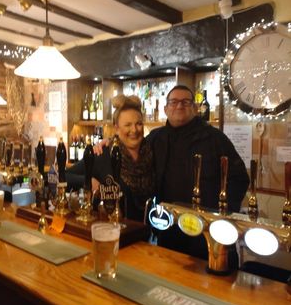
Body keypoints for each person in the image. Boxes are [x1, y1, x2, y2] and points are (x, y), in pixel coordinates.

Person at [146, 84, 249, 259]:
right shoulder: (155, 138)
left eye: (186, 102)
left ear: (194, 108)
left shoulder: (215, 138)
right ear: (165, 108)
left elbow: (239, 178)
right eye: (174, 102)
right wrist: (108, 143)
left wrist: (221, 216)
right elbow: (130, 154)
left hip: (206, 232)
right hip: (168, 228)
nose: (179, 106)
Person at [66, 95, 155, 222]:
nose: (134, 130)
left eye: (138, 124)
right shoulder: (103, 154)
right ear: (116, 128)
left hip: (145, 235)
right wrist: (87, 181)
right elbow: (63, 176)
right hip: (110, 232)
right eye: (128, 125)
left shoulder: (151, 151)